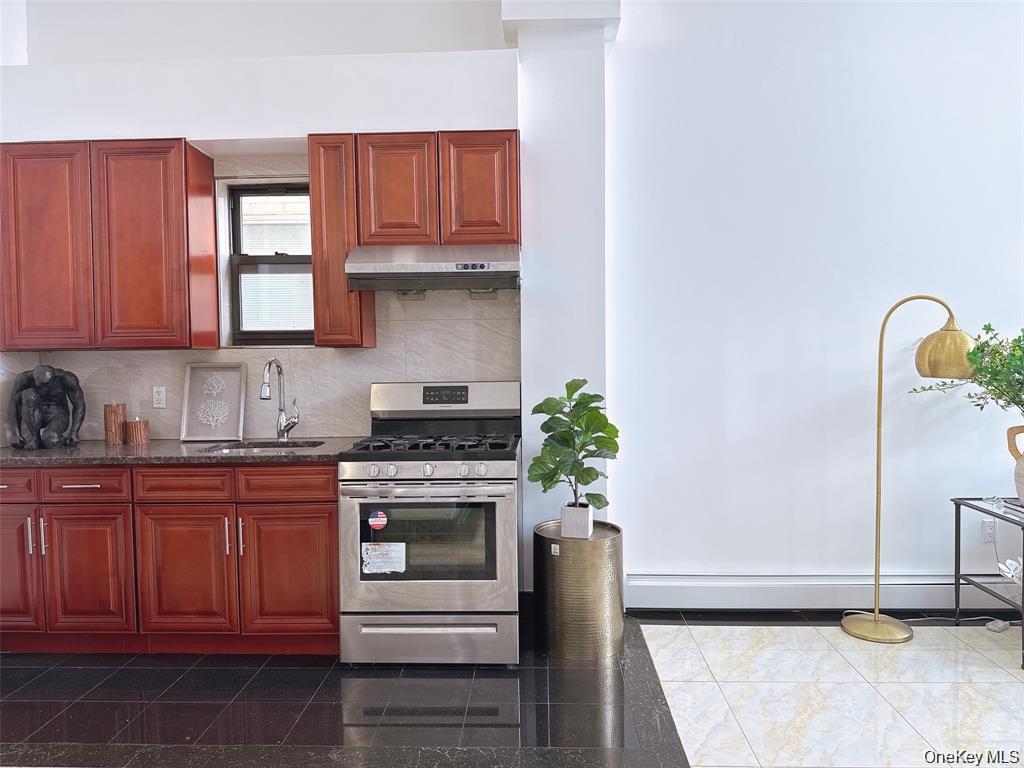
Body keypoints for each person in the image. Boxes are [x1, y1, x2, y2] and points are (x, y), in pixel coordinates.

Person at [7, 365, 86, 450]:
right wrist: (16, 434)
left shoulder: (67, 379)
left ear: (54, 376)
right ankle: (35, 438)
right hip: (35, 414)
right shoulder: (24, 379)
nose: (44, 388)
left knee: (50, 440)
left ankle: (56, 438)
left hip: (58, 414)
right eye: (40, 385)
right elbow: (14, 405)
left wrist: (74, 431)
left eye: (46, 385)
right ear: (34, 377)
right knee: (28, 394)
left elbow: (79, 405)